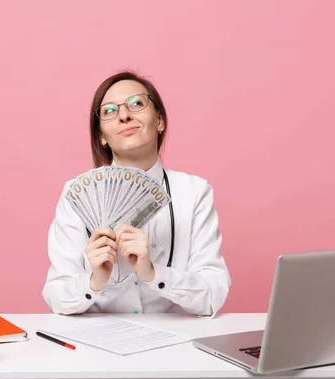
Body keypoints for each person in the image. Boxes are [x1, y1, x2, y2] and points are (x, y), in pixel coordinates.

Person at [42, 70, 231, 317]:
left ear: (160, 121)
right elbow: (56, 296)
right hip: (95, 344)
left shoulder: (194, 192)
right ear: (102, 138)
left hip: (173, 344)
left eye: (136, 104)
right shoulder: (75, 195)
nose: (124, 115)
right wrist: (94, 281)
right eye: (110, 111)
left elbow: (211, 297)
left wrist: (154, 274)